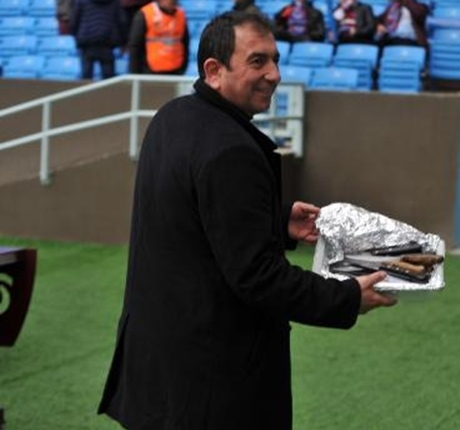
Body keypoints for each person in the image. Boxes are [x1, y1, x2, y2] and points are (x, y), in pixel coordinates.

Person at [97, 10, 396, 429]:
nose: (274, 74)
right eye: (258, 61)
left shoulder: (172, 116)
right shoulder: (231, 149)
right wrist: (345, 298)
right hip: (210, 387)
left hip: (157, 372)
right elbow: (258, 277)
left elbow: (192, 218)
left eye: (275, 60)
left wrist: (275, 221)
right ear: (214, 70)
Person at [127, 0, 190, 75]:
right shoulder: (145, 14)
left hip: (176, 70)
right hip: (150, 71)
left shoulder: (181, 14)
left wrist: (183, 67)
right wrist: (135, 73)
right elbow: (135, 46)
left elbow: (185, 42)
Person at [69, 0, 127, 79]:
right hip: (107, 43)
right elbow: (122, 22)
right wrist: (123, 42)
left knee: (86, 77)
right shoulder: (115, 2)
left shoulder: (81, 1)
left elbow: (74, 22)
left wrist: (77, 36)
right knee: (108, 79)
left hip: (87, 43)